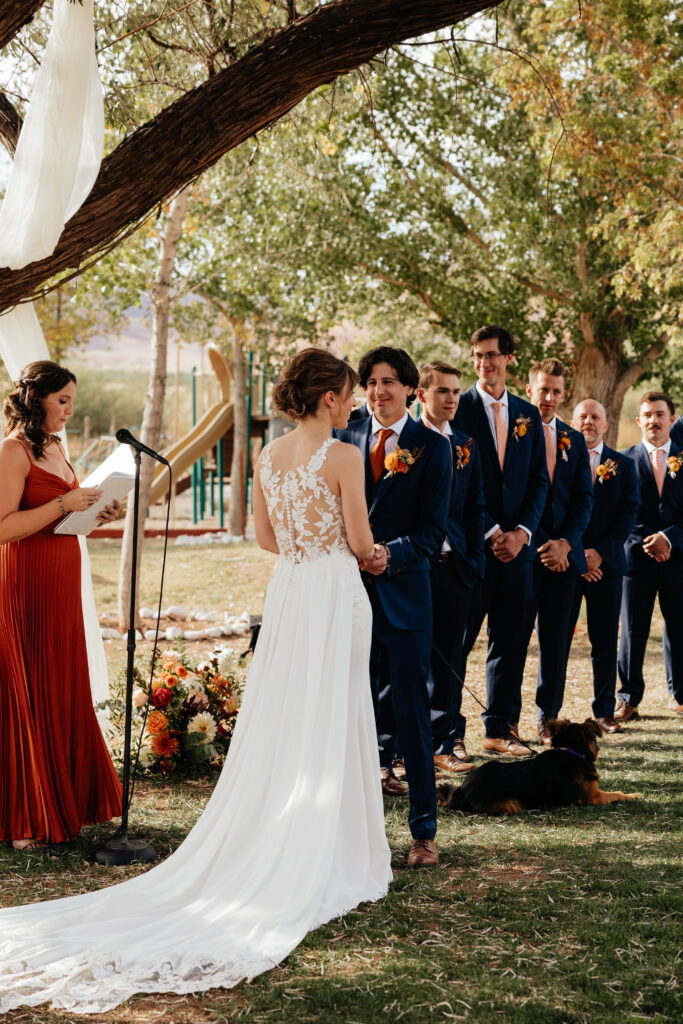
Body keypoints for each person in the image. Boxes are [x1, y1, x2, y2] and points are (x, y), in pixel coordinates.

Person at [0, 348, 392, 1014]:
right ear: (329, 397)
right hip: (332, 588)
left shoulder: (268, 459)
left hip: (291, 590)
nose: (354, 404)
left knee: (290, 714)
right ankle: (338, 850)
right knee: (337, 711)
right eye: (351, 393)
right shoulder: (346, 457)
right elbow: (359, 543)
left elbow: (267, 540)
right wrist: (374, 554)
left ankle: (294, 834)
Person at [335, 346, 451, 868]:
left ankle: (423, 833)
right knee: (347, 711)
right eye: (370, 382)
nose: (378, 391)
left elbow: (433, 532)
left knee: (412, 716)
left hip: (405, 595)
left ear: (410, 388)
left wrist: (390, 555)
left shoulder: (433, 446)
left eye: (388, 381)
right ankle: (344, 834)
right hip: (347, 596)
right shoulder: (344, 437)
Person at [0, 361, 122, 851]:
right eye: (63, 400)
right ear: (36, 399)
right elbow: (5, 527)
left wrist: (97, 511)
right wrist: (63, 505)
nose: (70, 410)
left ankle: (67, 799)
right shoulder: (12, 450)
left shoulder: (55, 447)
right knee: (27, 684)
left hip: (62, 572)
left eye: (73, 400)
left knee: (60, 680)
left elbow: (63, 517)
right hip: (26, 577)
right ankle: (26, 815)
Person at [454, 326, 549, 756]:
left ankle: (499, 730)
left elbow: (539, 482)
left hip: (519, 554)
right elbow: (458, 483)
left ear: (509, 358)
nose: (483, 363)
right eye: (477, 356)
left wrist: (523, 533)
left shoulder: (529, 413)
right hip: (475, 549)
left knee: (510, 644)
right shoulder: (458, 408)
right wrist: (493, 532)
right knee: (457, 642)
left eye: (491, 355)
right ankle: (447, 735)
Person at [416, 360, 485, 772]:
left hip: (456, 565)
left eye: (456, 391)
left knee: (452, 657)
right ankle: (406, 746)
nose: (452, 399)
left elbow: (476, 506)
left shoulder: (465, 444)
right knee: (412, 658)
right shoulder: (406, 443)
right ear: (421, 394)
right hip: (415, 568)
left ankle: (445, 742)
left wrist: (473, 558)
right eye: (443, 390)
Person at [524, 359, 593, 742]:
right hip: (525, 553)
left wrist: (565, 543)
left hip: (564, 558)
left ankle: (547, 718)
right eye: (542, 389)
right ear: (531, 388)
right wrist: (535, 542)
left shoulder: (575, 439)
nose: (548, 397)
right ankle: (503, 723)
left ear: (563, 394)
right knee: (514, 639)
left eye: (555, 391)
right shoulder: (517, 433)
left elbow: (584, 499)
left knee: (556, 643)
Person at [566, 399, 640, 731]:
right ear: (573, 421)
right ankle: (547, 715)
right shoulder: (561, 460)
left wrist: (600, 553)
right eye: (583, 416)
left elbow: (628, 515)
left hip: (607, 567)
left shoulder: (623, 465)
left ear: (606, 425)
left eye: (596, 417)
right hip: (565, 566)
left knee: (605, 640)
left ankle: (604, 710)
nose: (589, 421)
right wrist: (579, 556)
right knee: (557, 641)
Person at [616, 391, 683, 722]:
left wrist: (669, 537)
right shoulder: (622, 462)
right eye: (648, 414)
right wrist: (647, 541)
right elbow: (617, 513)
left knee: (680, 627)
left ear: (672, 418)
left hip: (678, 560)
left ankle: (680, 695)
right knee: (633, 630)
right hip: (636, 562)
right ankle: (628, 698)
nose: (654, 420)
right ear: (638, 420)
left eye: (660, 414)